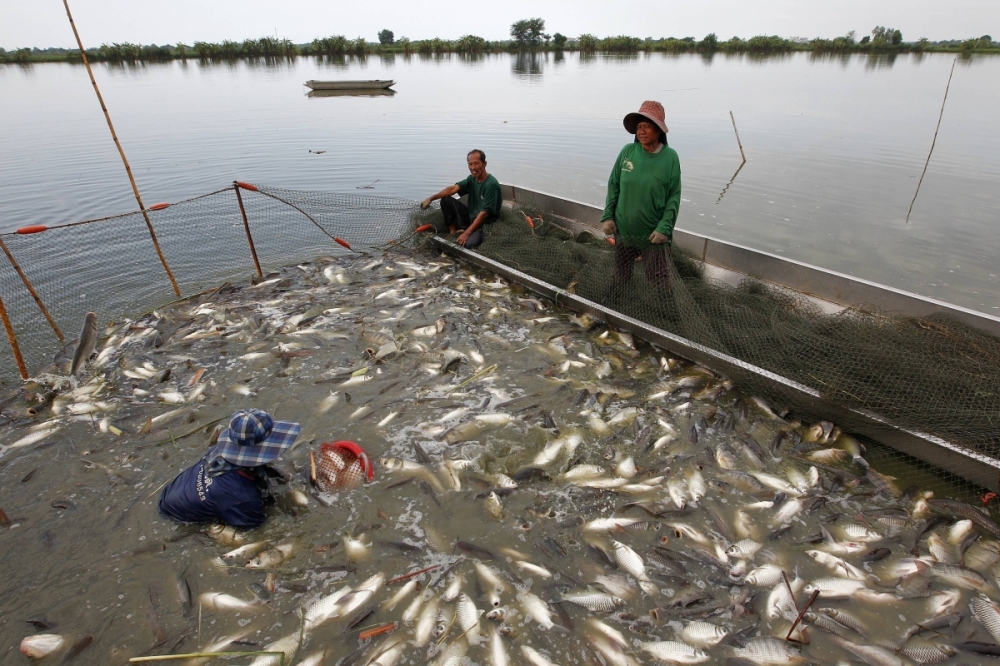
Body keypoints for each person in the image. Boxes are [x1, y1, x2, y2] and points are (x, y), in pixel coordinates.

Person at [158, 408, 300, 529]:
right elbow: (254, 530)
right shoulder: (244, 498)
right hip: (176, 514)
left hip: (175, 490)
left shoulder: (216, 453)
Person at [600, 100, 681, 293]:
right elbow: (614, 185)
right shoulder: (628, 152)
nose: (641, 131)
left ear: (659, 130)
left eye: (647, 127)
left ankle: (662, 318)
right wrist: (608, 216)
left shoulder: (670, 157)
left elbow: (673, 197)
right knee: (620, 277)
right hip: (624, 231)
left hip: (653, 236)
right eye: (639, 127)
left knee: (660, 283)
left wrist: (664, 228)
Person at [420, 149, 502, 249]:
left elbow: (484, 214)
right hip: (471, 216)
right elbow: (453, 189)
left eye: (476, 163)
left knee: (467, 244)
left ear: (484, 164)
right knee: (445, 200)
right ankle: (453, 231)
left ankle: (466, 230)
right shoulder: (472, 178)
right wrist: (431, 198)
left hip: (484, 223)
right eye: (470, 164)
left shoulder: (491, 184)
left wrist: (467, 233)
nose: (473, 168)